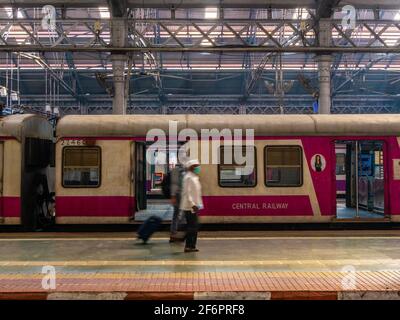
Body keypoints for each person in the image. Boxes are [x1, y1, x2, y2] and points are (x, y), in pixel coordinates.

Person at [180, 159, 203, 253]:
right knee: (192, 226)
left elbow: (196, 193)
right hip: (189, 206)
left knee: (194, 226)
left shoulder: (194, 177)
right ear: (192, 167)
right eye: (197, 165)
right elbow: (187, 193)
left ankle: (192, 246)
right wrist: (193, 204)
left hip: (194, 206)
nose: (198, 167)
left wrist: (199, 205)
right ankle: (188, 246)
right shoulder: (188, 177)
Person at [169, 163, 186, 243]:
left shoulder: (177, 171)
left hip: (179, 195)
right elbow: (174, 185)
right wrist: (173, 196)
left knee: (177, 214)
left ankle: (175, 232)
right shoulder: (178, 171)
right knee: (180, 214)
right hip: (179, 195)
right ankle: (175, 233)